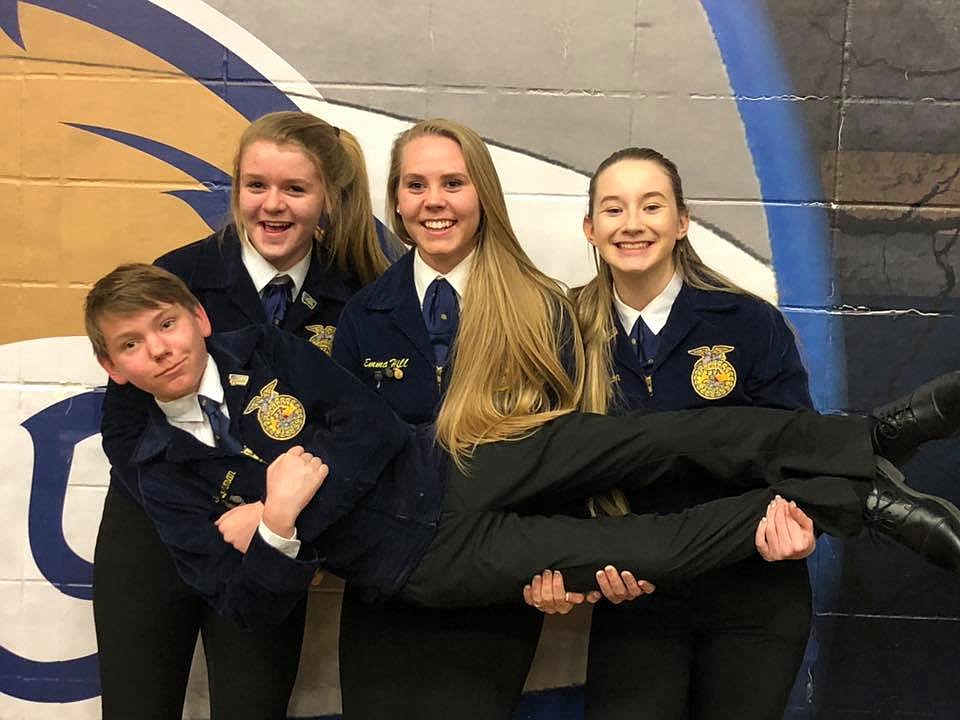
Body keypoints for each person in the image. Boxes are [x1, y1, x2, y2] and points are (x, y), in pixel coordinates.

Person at [85, 264, 960, 638]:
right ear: (112, 367)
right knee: (647, 548)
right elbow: (241, 606)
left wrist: (296, 505)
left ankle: (875, 435)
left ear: (196, 318)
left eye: (166, 324)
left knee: (661, 435)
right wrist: (278, 525)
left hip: (453, 464)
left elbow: (368, 428)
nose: (159, 349)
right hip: (425, 559)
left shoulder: (259, 349)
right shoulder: (161, 472)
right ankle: (866, 504)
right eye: (132, 344)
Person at [94, 111, 390, 720]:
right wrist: (200, 517)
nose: (271, 205)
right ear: (234, 189)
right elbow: (124, 431)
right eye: (255, 186)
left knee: (253, 706)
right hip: (156, 532)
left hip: (271, 536)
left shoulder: (356, 292)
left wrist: (282, 522)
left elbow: (359, 431)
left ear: (328, 197)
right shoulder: (181, 277)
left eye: (295, 189)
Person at [533, 145, 821, 719]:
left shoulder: (747, 322)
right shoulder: (560, 330)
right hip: (635, 595)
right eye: (613, 209)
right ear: (590, 228)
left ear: (682, 221)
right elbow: (544, 467)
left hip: (752, 596)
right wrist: (556, 566)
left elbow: (802, 453)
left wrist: (803, 523)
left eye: (652, 206)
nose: (633, 224)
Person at [331, 118, 579, 719]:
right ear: (394, 200)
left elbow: (567, 449)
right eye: (415, 184)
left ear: (482, 195)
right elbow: (339, 450)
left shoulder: (542, 308)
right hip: (387, 586)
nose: (434, 201)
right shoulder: (365, 313)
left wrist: (558, 559)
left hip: (493, 589)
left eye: (452, 182)